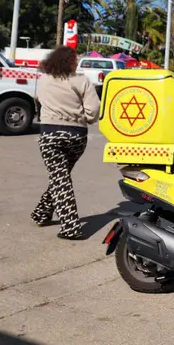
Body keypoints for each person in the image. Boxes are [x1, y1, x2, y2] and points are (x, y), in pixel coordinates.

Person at [31, 46, 101, 240]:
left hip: (50, 135)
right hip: (76, 136)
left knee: (59, 178)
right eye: (75, 60)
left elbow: (38, 100)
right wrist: (85, 119)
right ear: (68, 62)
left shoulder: (43, 80)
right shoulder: (82, 81)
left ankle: (71, 228)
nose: (77, 62)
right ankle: (41, 213)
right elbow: (94, 110)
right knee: (59, 177)